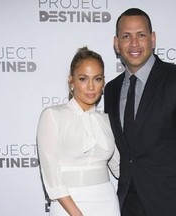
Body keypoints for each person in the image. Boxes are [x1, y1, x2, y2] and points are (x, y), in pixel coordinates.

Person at [104, 8, 176, 216]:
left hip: (175, 205)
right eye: (126, 36)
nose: (134, 43)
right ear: (116, 43)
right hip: (128, 205)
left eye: (141, 35)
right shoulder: (111, 90)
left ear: (153, 39)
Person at [37, 47, 120, 216]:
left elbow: (121, 168)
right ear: (71, 81)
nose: (91, 87)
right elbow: (51, 174)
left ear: (103, 82)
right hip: (69, 206)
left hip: (108, 203)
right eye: (83, 79)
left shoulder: (107, 120)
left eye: (97, 79)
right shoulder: (53, 116)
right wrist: (75, 213)